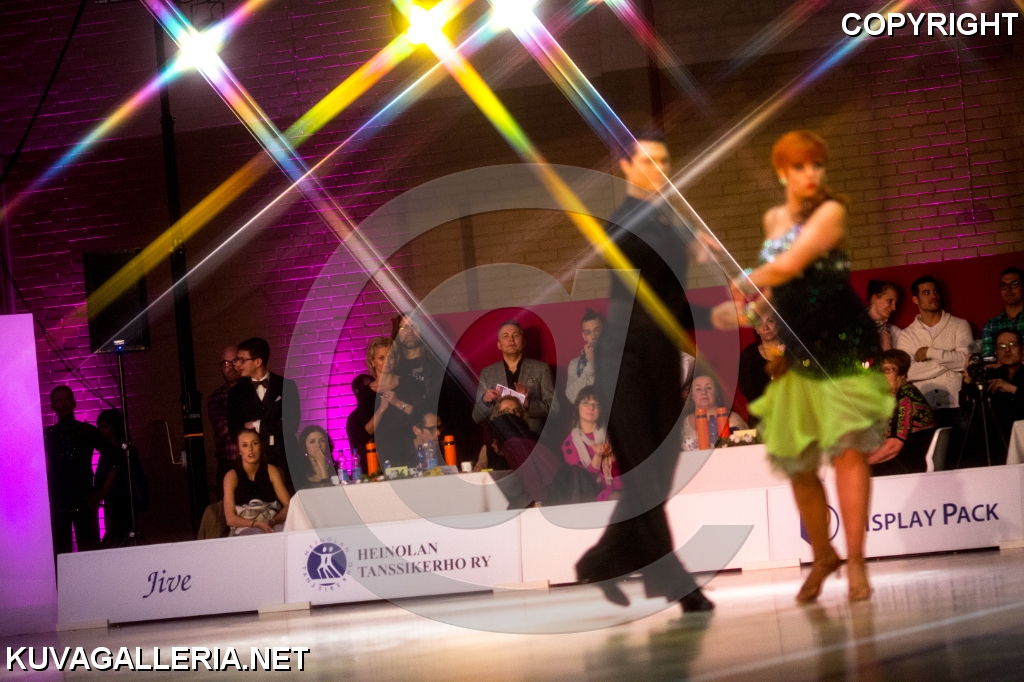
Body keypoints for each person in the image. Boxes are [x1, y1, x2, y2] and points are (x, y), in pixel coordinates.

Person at [717, 131, 893, 603]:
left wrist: (749, 278)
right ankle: (823, 554)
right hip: (799, 347)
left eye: (816, 164)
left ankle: (856, 562)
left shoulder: (831, 213)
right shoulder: (773, 218)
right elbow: (782, 288)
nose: (810, 173)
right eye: (799, 166)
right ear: (782, 172)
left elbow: (793, 262)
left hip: (842, 346)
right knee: (799, 464)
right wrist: (750, 309)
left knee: (848, 453)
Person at [576, 129, 714, 613]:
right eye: (647, 161)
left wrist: (714, 313)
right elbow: (633, 255)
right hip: (623, 360)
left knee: (658, 474)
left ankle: (600, 560)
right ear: (626, 167)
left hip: (659, 356)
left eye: (664, 161)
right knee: (643, 478)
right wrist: (688, 242)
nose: (658, 170)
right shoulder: (622, 220)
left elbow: (671, 302)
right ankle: (678, 585)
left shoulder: (669, 221)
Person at [43, 386, 122, 558]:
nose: (64, 404)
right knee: (61, 557)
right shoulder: (48, 435)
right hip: (59, 504)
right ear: (53, 406)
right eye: (59, 401)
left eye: (67, 399)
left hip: (85, 502)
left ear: (74, 402)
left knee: (88, 555)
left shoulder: (87, 431)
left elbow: (116, 460)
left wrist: (102, 492)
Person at [896, 276, 973, 430]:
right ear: (915, 299)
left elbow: (966, 362)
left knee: (966, 444)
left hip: (957, 406)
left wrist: (930, 352)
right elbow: (908, 372)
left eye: (936, 291)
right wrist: (950, 358)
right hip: (924, 408)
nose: (933, 295)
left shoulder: (959, 325)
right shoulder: (907, 335)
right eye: (926, 292)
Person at [227, 337, 301, 491]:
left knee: (291, 499)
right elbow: (235, 431)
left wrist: (256, 425)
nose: (237, 365)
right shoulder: (235, 393)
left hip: (286, 457)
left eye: (242, 360)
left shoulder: (286, 386)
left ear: (258, 362)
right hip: (253, 463)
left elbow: (291, 425)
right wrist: (276, 423)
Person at [473, 320, 558, 435]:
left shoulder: (542, 369)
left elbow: (555, 409)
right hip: (500, 438)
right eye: (505, 336)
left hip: (533, 437)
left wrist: (528, 405)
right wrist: (485, 401)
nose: (511, 339)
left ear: (524, 342)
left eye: (516, 335)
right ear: (499, 345)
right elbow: (476, 417)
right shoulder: (487, 373)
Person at [345, 337, 413, 472]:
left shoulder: (407, 383)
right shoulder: (365, 393)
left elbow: (419, 415)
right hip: (381, 456)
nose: (387, 361)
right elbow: (367, 431)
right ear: (372, 362)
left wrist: (398, 403)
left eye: (390, 357)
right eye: (381, 358)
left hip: (408, 450)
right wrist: (381, 410)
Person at [959, 329, 1024, 467]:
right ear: (996, 352)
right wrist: (968, 379)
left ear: (1022, 349)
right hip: (993, 444)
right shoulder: (988, 376)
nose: (1007, 350)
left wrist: (1012, 389)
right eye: (1001, 346)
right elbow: (966, 404)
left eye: (1012, 344)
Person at [868, 350, 937, 476]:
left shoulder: (904, 398)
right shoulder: (908, 391)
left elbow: (893, 448)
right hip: (908, 462)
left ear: (903, 373)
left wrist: (864, 463)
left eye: (887, 370)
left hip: (908, 466)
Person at [95, 408, 149, 546]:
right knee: (115, 536)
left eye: (105, 427)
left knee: (120, 537)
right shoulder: (106, 451)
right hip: (111, 501)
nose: (101, 430)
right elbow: (100, 475)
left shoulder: (125, 450)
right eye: (100, 427)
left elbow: (139, 475)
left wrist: (145, 502)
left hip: (125, 501)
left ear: (114, 427)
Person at [223, 429, 290, 534]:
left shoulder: (271, 470)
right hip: (244, 526)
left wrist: (274, 521)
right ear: (239, 451)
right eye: (245, 445)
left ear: (261, 446)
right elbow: (230, 518)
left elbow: (289, 505)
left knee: (282, 532)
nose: (250, 449)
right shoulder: (231, 476)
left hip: (271, 522)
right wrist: (255, 524)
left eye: (254, 443)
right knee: (256, 533)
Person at [560, 386, 620, 501]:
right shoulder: (569, 443)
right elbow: (582, 481)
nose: (591, 407)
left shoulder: (612, 434)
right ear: (577, 406)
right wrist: (598, 456)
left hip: (622, 484)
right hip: (593, 493)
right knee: (621, 498)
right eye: (586, 403)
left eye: (596, 404)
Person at [681, 374, 748, 450]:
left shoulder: (732, 419)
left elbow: (746, 448)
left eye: (709, 388)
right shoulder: (683, 424)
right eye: (698, 389)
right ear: (692, 395)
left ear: (716, 393)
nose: (704, 392)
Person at [208, 345, 241, 494]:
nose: (230, 366)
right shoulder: (217, 397)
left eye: (234, 361)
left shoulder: (253, 391)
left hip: (256, 462)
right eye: (226, 363)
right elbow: (223, 428)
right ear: (221, 368)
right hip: (229, 463)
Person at [737, 312, 780, 411]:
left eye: (770, 321)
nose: (765, 328)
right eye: (759, 323)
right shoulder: (749, 355)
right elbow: (747, 390)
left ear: (778, 323)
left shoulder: (791, 351)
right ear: (755, 328)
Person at [981, 267, 1024, 357]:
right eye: (1003, 285)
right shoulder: (991, 325)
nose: (1008, 289)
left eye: (1014, 283)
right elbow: (989, 360)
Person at [471, 396, 522, 471]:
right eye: (506, 411)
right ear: (497, 416)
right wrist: (479, 468)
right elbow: (479, 468)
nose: (512, 414)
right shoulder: (490, 447)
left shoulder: (530, 443)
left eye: (516, 411)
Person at [566, 309, 604, 403]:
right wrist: (591, 364)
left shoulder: (616, 358)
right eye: (588, 332)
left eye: (597, 330)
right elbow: (572, 397)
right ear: (584, 336)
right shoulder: (575, 364)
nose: (593, 336)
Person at [866, 280, 901, 351]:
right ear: (874, 299)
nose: (894, 308)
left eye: (895, 303)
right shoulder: (853, 325)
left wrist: (887, 349)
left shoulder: (896, 333)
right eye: (890, 301)